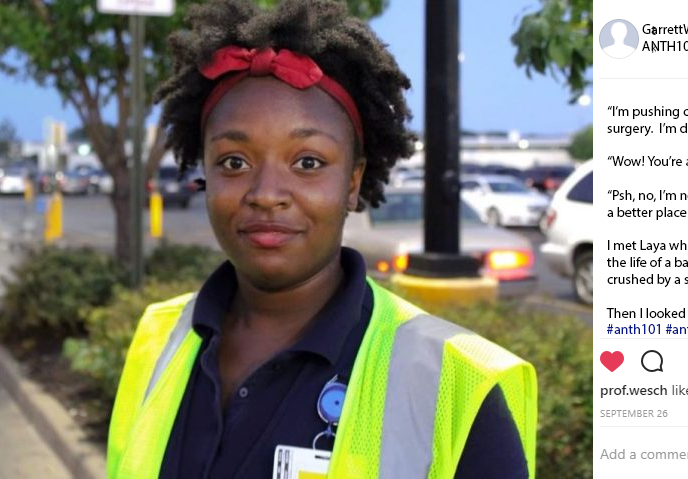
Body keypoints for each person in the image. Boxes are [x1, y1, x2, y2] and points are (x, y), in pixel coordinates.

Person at [106, 1, 537, 478]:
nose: (266, 195)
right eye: (234, 161)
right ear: (204, 172)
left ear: (353, 183)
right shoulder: (159, 338)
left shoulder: (453, 384)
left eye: (308, 162)